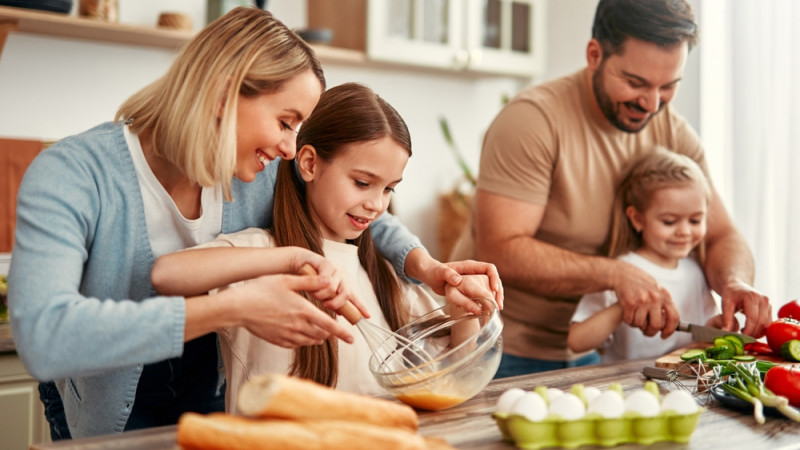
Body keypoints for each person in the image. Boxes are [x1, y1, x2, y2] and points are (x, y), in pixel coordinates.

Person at [8, 7, 501, 440]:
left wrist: (424, 264)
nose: (289, 149)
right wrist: (236, 307)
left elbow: (362, 217)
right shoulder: (73, 173)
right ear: (224, 94)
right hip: (109, 395)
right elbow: (45, 337)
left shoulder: (259, 167)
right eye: (286, 122)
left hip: (212, 389)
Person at [450, 0, 770, 377]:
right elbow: (500, 248)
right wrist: (618, 275)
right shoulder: (532, 121)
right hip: (500, 347)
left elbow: (720, 234)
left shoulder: (674, 133)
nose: (651, 104)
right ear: (594, 54)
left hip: (596, 357)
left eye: (668, 86)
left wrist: (735, 281)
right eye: (635, 83)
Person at [151, 83, 497, 414]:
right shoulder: (261, 254)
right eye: (362, 183)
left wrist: (461, 309)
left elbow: (451, 373)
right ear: (309, 164)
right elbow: (166, 273)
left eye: (389, 188)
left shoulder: (383, 273)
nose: (377, 204)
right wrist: (294, 258)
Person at [567, 148, 725, 362]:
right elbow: (577, 341)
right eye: (669, 222)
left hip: (680, 384)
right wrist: (624, 305)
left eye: (695, 221)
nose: (685, 231)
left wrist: (714, 329)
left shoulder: (695, 269)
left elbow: (698, 334)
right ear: (637, 219)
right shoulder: (622, 271)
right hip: (626, 389)